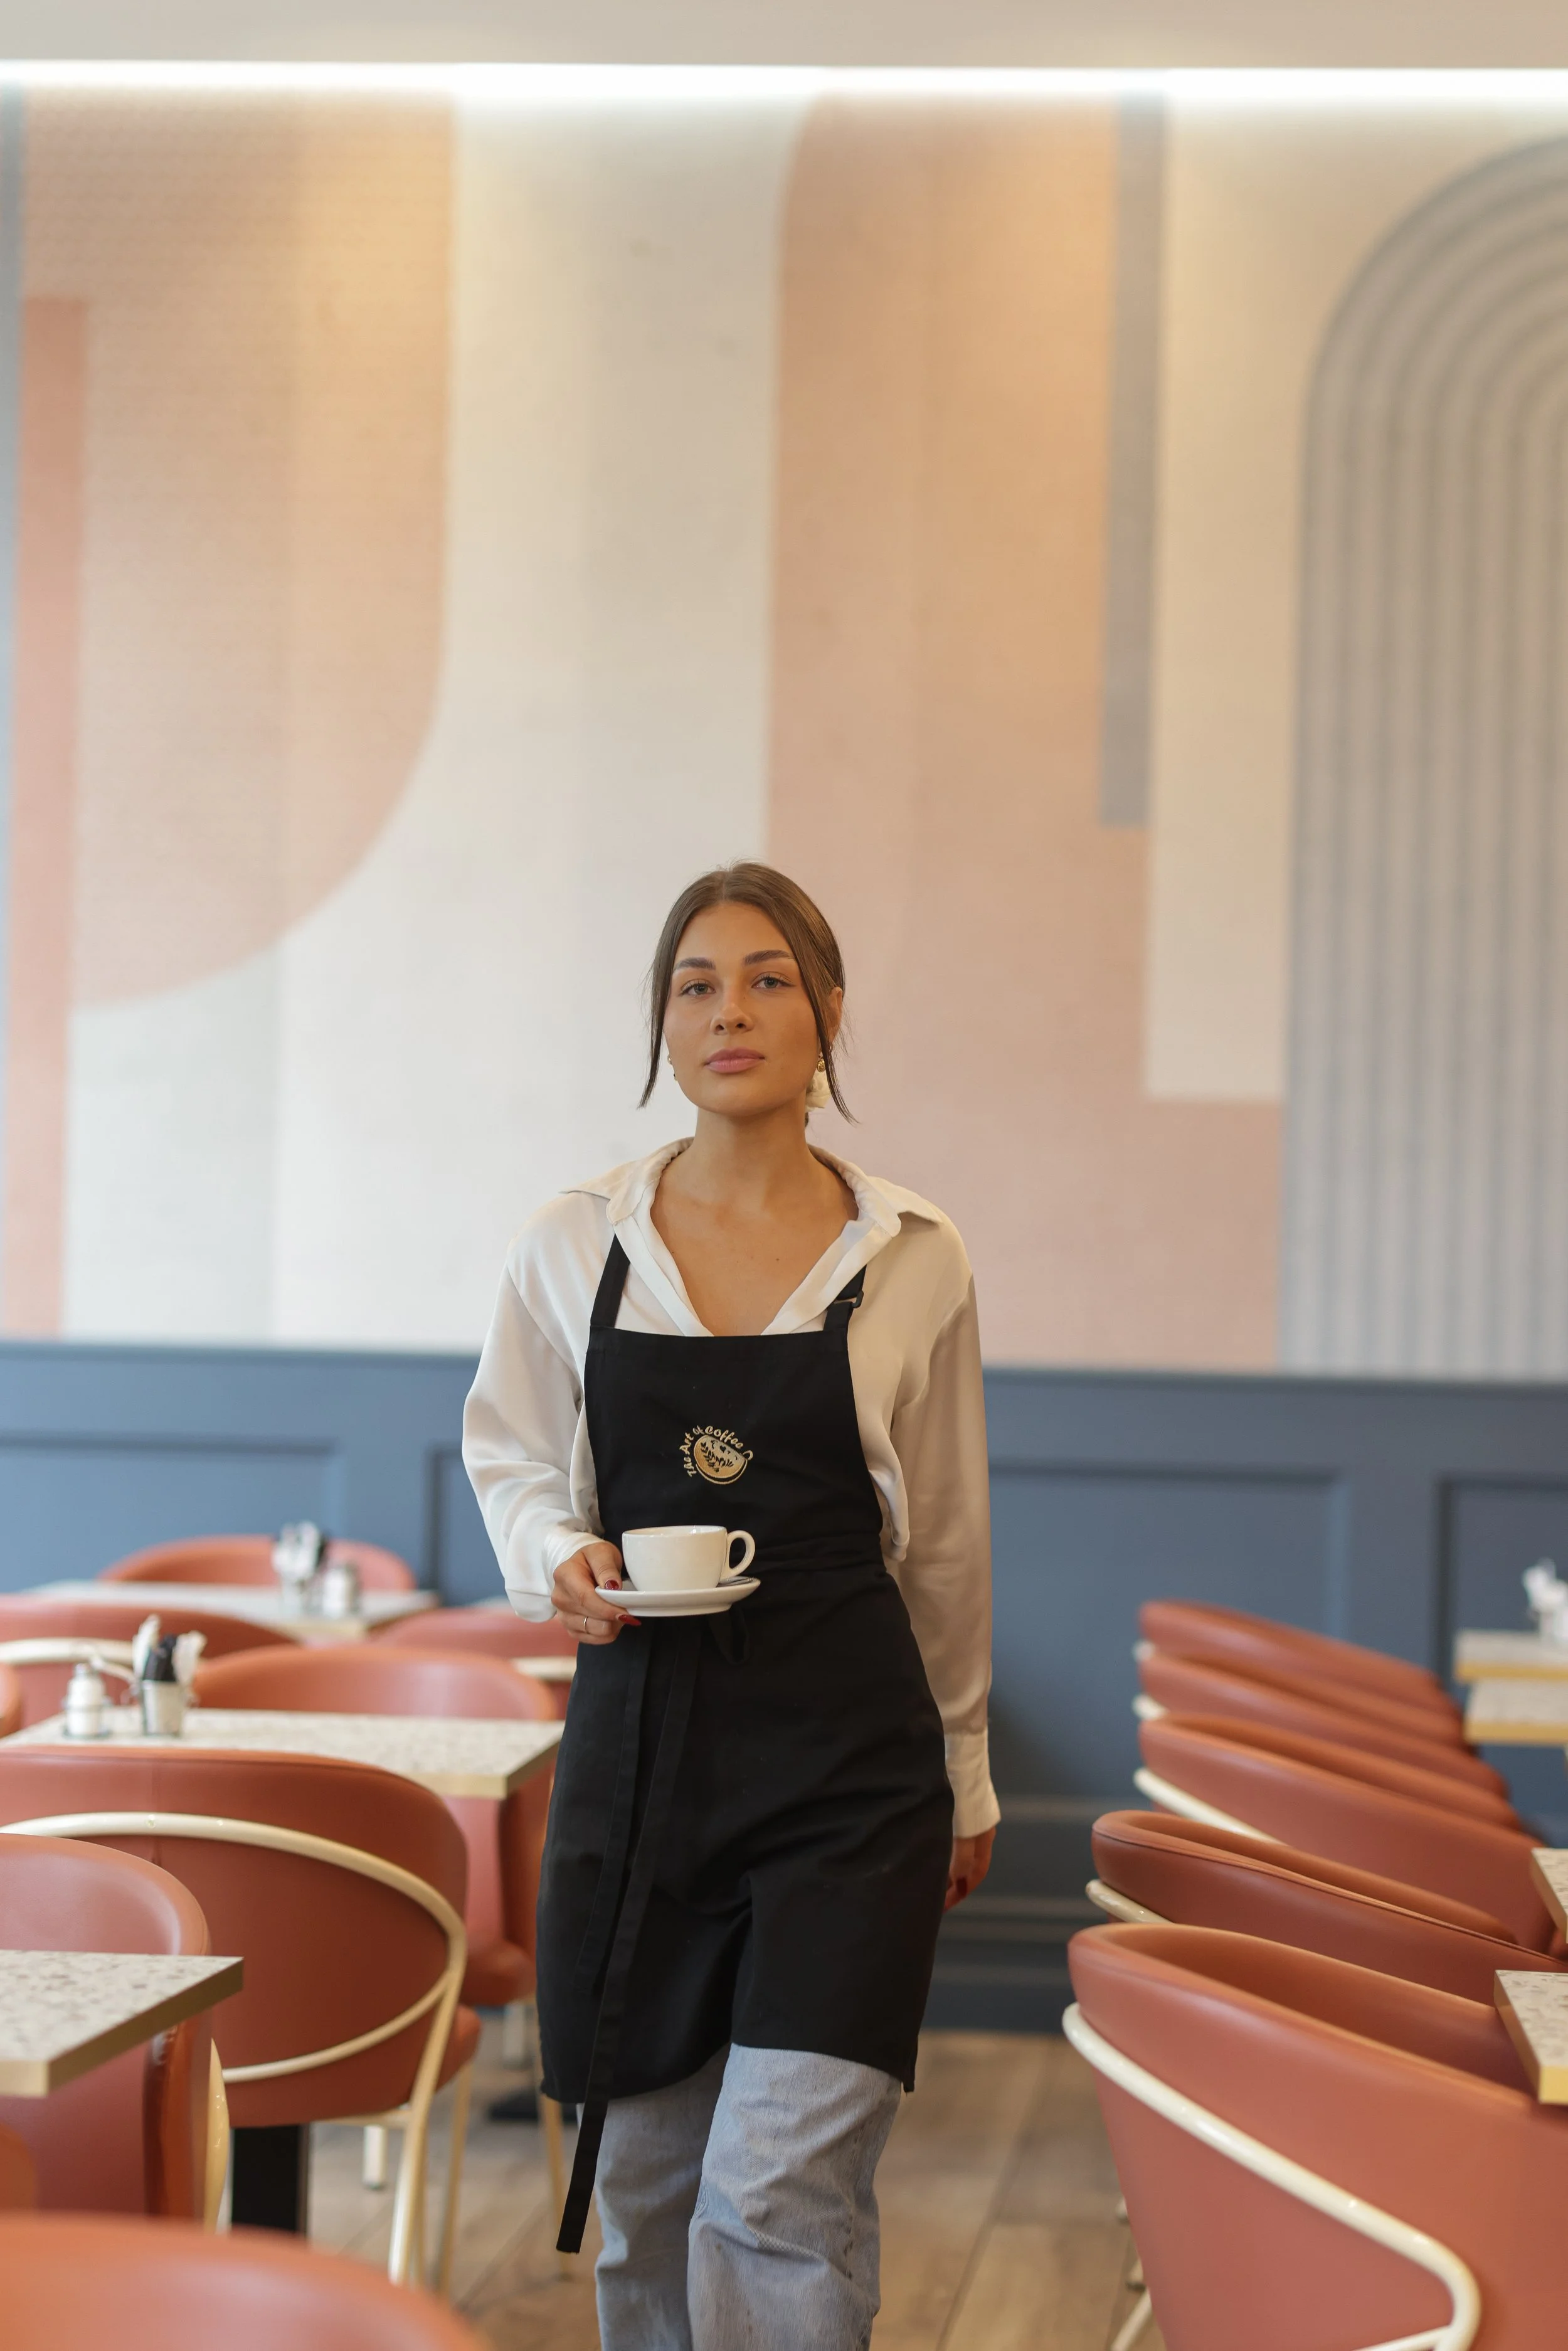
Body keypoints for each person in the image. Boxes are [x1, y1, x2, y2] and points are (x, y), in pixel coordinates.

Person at [464, 861, 998, 2351]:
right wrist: (550, 1548)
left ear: (827, 1011)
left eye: (766, 976)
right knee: (641, 2185)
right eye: (694, 982)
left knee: (773, 2188)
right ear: (662, 1022)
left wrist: (961, 1770)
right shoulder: (574, 1239)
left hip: (852, 1773)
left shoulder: (911, 1255)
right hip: (640, 1764)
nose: (729, 1009)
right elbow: (508, 1451)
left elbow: (943, 1543)